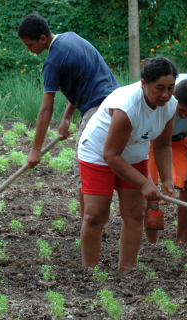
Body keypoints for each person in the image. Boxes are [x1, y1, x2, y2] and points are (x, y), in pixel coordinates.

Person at [77, 57, 178, 271]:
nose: (166, 95)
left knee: (134, 213)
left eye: (170, 88)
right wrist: (144, 183)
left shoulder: (170, 105)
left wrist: (167, 179)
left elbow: (162, 146)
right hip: (98, 152)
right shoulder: (127, 106)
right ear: (144, 84)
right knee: (95, 215)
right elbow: (111, 155)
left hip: (133, 153)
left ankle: (126, 272)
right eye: (159, 88)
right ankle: (90, 272)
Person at [17, 13, 119, 214]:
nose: (29, 50)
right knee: (113, 162)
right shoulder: (71, 38)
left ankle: (88, 226)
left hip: (98, 111)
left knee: (84, 167)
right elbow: (83, 78)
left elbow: (46, 108)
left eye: (30, 45)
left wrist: (35, 149)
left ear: (43, 39)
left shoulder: (52, 62)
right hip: (118, 103)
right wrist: (66, 117)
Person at [145, 74, 187, 244]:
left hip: (179, 137)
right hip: (152, 138)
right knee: (148, 190)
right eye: (181, 110)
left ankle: (182, 243)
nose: (183, 116)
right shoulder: (161, 92)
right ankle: (153, 245)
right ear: (172, 95)